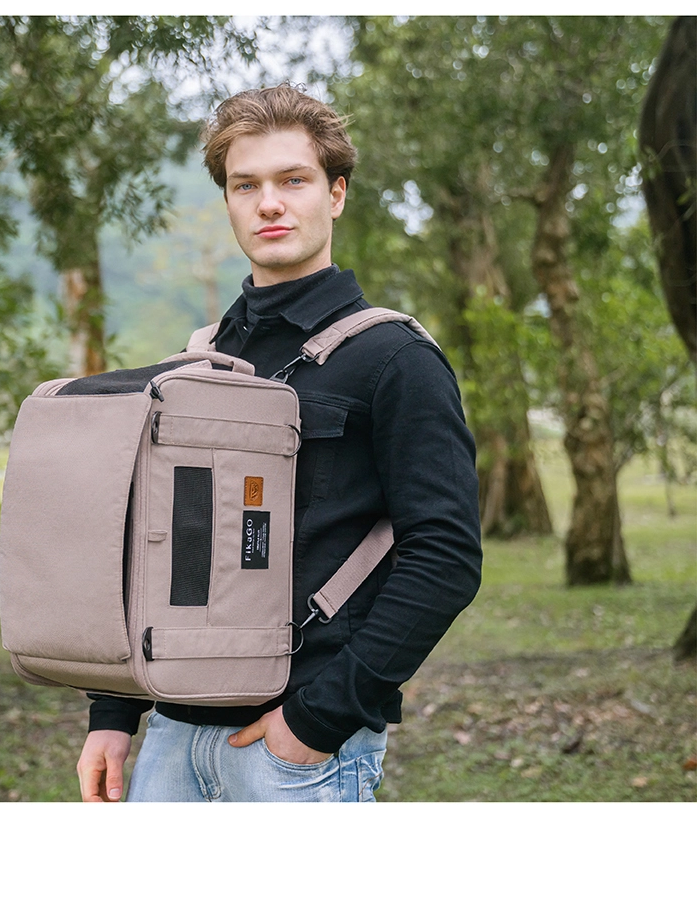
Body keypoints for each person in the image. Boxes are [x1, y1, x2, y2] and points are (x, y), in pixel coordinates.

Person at [76, 83, 482, 802]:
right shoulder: (198, 360)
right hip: (172, 734)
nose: (270, 203)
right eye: (247, 185)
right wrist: (113, 713)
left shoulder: (396, 359)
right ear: (229, 201)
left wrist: (316, 723)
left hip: (296, 751)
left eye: (293, 180)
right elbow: (151, 540)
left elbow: (446, 557)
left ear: (336, 194)